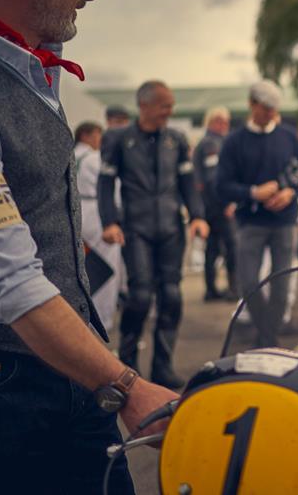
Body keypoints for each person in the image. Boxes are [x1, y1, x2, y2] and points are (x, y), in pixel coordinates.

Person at [0, 0, 177, 493]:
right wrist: (129, 387)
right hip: (4, 392)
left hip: (67, 372)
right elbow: (11, 284)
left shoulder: (29, 64)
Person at [99, 80, 208, 389]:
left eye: (171, 106)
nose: (169, 112)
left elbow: (188, 183)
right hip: (136, 229)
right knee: (140, 296)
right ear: (144, 106)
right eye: (165, 106)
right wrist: (110, 222)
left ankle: (163, 365)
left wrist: (198, 216)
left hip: (172, 228)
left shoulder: (176, 138)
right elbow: (105, 185)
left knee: (172, 297)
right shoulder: (118, 139)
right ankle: (128, 365)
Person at [217, 80, 298, 348]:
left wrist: (290, 193)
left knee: (282, 285)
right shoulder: (234, 142)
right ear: (252, 105)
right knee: (247, 282)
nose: (271, 113)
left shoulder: (289, 137)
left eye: (274, 108)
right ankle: (267, 332)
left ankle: (267, 337)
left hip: (284, 221)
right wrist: (253, 193)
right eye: (265, 108)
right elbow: (222, 186)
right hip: (251, 221)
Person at [75, 121, 123, 331]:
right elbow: (115, 189)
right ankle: (102, 320)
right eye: (97, 135)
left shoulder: (71, 154)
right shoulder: (94, 158)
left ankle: (80, 315)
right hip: (96, 212)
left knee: (83, 266)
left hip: (76, 211)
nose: (99, 140)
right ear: (86, 135)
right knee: (107, 267)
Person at [193, 106, 238, 301]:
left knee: (212, 248)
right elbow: (213, 179)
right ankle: (233, 289)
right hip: (218, 205)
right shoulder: (212, 143)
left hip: (207, 205)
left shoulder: (207, 142)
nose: (226, 125)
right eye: (223, 121)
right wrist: (227, 202)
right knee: (231, 246)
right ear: (214, 122)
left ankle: (211, 289)